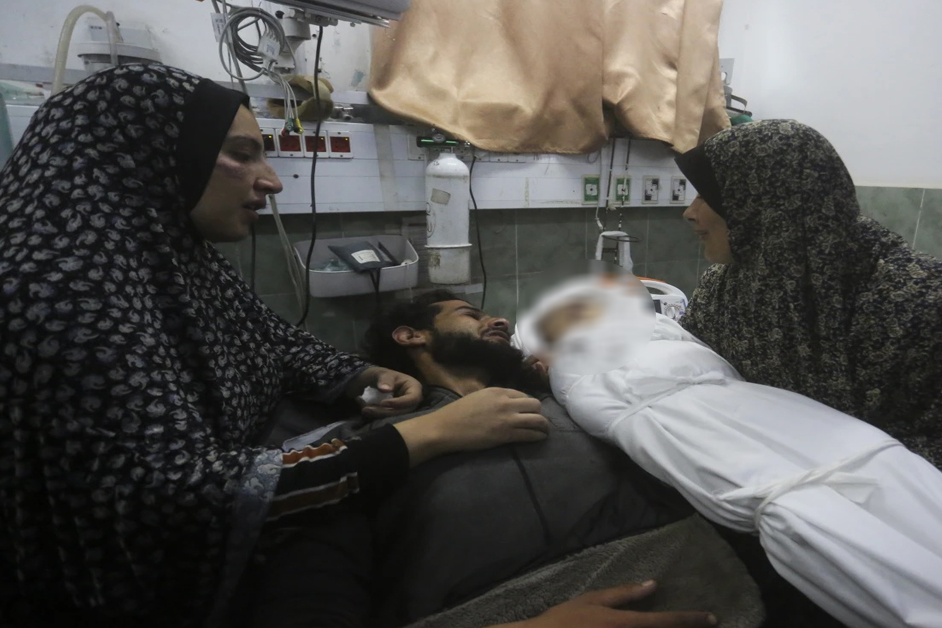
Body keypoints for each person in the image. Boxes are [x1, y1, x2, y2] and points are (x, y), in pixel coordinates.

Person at [0, 64, 714, 628]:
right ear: (149, 156)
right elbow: (173, 502)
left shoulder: (168, 261)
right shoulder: (57, 289)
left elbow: (276, 341)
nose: (271, 179)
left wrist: (357, 374)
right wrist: (424, 436)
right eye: (241, 155)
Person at [520, 273, 942, 628]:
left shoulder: (668, 325)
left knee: (882, 471)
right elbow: (574, 371)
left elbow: (689, 349)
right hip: (681, 415)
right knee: (800, 505)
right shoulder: (560, 348)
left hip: (768, 409)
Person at [249, 290, 758, 627]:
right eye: (471, 314)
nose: (500, 320)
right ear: (411, 336)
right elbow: (306, 603)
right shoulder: (363, 451)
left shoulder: (581, 401)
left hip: (695, 583)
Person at [674, 119, 942, 532]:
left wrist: (834, 472)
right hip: (749, 507)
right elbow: (694, 378)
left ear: (766, 203)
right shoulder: (725, 286)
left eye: (707, 196)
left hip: (888, 530)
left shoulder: (925, 302)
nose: (690, 213)